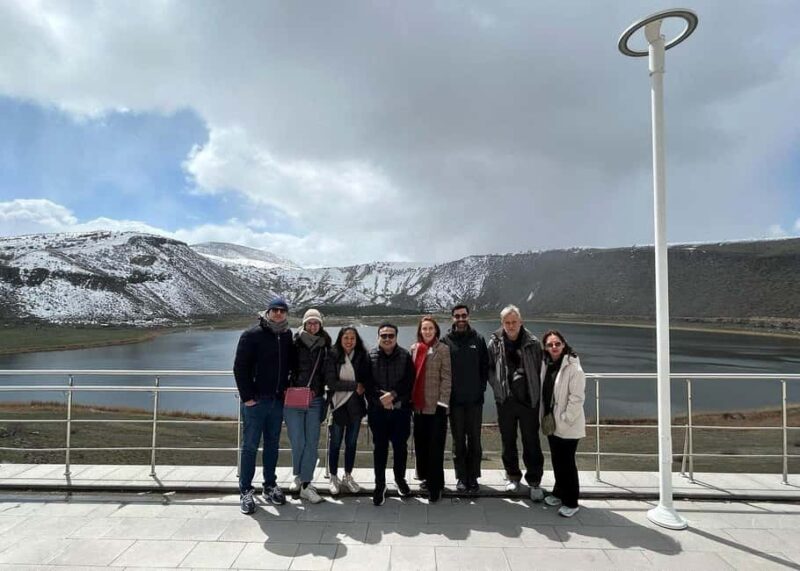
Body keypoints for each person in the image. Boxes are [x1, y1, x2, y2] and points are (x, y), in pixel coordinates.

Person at [233, 296, 295, 514]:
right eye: (274, 310)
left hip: (277, 401)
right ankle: (246, 491)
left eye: (282, 310)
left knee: (272, 445)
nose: (278, 313)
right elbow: (239, 368)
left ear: (286, 314)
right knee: (250, 446)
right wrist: (247, 397)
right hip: (256, 402)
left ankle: (269, 485)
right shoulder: (251, 335)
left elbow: (289, 365)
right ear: (267, 312)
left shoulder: (287, 335)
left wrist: (287, 387)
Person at [487, 304, 545, 501]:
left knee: (531, 442)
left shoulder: (533, 343)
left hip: (529, 401)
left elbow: (540, 370)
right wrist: (497, 388)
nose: (511, 326)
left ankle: (535, 481)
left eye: (514, 322)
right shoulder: (494, 343)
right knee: (508, 440)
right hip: (505, 401)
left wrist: (535, 393)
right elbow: (488, 369)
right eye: (507, 322)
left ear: (521, 322)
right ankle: (513, 477)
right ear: (502, 323)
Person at [441, 304, 489, 494]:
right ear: (452, 318)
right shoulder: (445, 341)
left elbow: (485, 366)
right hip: (455, 402)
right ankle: (461, 477)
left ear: (468, 317)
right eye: (457, 316)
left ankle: (474, 477)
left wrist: (481, 389)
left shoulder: (478, 339)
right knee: (458, 441)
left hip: (475, 401)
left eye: (464, 315)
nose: (461, 319)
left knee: (475, 440)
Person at [366, 321, 414, 506]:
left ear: (396, 337)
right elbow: (367, 383)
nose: (387, 338)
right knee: (380, 449)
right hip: (377, 411)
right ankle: (380, 485)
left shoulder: (405, 356)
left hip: (400, 410)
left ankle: (400, 480)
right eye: (383, 335)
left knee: (400, 447)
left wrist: (392, 397)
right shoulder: (369, 356)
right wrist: (381, 400)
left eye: (390, 335)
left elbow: (409, 383)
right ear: (378, 336)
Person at [285, 308, 330, 504]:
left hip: (315, 399)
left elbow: (329, 374)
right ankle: (298, 475)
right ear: (304, 324)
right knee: (298, 442)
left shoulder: (326, 346)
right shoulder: (293, 343)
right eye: (309, 322)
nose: (313, 326)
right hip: (294, 398)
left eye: (316, 323)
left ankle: (305, 484)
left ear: (320, 325)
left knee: (311, 442)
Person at [540, 329, 586, 517]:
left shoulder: (573, 367)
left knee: (567, 463)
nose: (554, 347)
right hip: (553, 422)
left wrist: (566, 418)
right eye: (550, 344)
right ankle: (558, 493)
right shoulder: (548, 364)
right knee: (557, 460)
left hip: (567, 423)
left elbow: (577, 398)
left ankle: (571, 501)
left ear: (564, 344)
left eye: (557, 343)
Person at [324, 325, 371, 496]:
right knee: (335, 443)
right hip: (338, 406)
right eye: (346, 338)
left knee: (351, 444)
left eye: (352, 338)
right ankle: (334, 476)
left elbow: (366, 380)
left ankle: (348, 475)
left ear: (356, 340)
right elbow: (331, 382)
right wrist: (354, 386)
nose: (349, 341)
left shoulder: (362, 356)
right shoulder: (332, 355)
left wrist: (361, 386)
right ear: (340, 339)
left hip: (356, 408)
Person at [410, 315, 452, 502]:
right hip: (418, 408)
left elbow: (447, 378)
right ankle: (427, 479)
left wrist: (443, 403)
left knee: (436, 448)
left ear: (436, 331)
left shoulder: (443, 349)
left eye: (430, 328)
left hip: (436, 408)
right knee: (422, 446)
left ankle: (436, 487)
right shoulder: (415, 349)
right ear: (420, 331)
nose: (427, 331)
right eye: (424, 328)